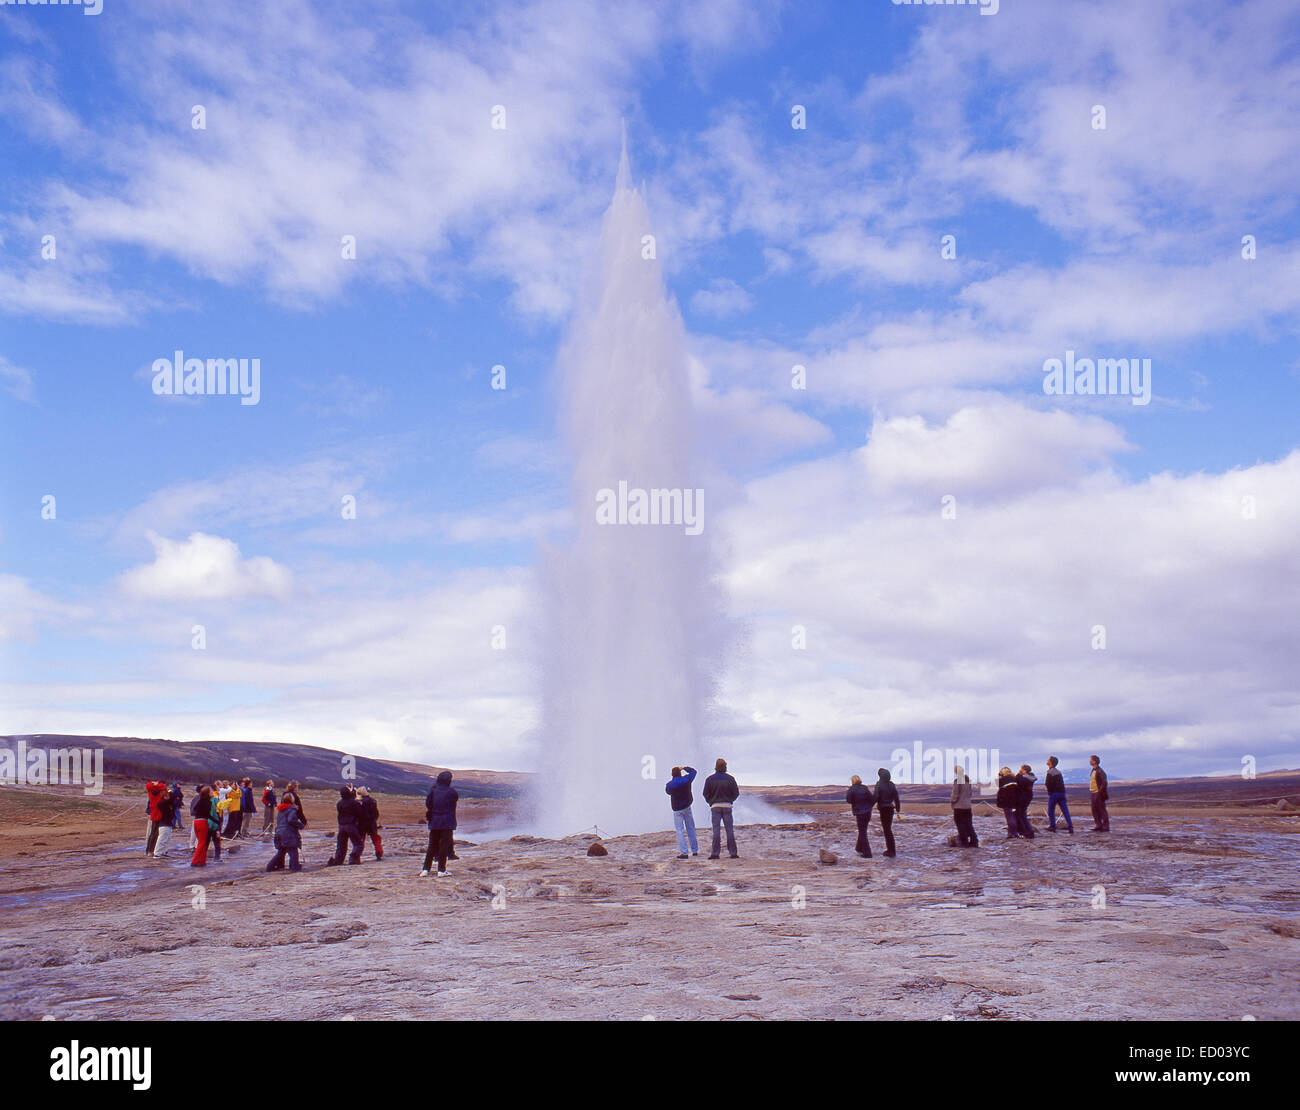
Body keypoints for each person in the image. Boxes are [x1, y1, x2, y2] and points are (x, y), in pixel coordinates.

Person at [422, 771, 459, 877]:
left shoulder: (433, 790)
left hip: (434, 821)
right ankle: (441, 870)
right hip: (447, 822)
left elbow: (428, 803)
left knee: (432, 845)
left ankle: (425, 869)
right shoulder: (451, 792)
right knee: (444, 846)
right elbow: (454, 801)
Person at [702, 758, 740, 860]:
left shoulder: (709, 779)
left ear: (716, 766)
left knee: (716, 831)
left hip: (715, 807)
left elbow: (705, 794)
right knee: (729, 830)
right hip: (727, 806)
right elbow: (736, 793)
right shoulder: (731, 779)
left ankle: (715, 853)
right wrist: (730, 800)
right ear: (725, 766)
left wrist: (711, 802)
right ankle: (733, 853)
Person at [665, 765, 699, 859]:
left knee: (680, 831)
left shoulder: (670, 785)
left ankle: (684, 853)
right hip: (687, 807)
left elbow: (667, 792)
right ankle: (695, 850)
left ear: (672, 774)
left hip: (677, 809)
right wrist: (684, 768)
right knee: (691, 828)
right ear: (680, 773)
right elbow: (694, 772)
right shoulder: (686, 779)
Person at [266, 795, 305, 872]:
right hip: (288, 833)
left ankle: (269, 868)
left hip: (278, 832)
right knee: (293, 851)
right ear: (291, 800)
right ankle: (295, 868)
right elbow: (291, 820)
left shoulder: (281, 809)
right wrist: (300, 825)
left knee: (281, 852)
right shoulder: (291, 809)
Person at [327, 785, 364, 866]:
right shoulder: (354, 803)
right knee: (358, 844)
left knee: (341, 846)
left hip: (341, 826)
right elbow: (360, 813)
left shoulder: (339, 803)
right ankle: (353, 858)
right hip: (351, 825)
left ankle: (338, 861)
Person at [873, 768, 900, 857]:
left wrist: (869, 805)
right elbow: (896, 797)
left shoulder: (879, 785)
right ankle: (891, 850)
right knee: (888, 829)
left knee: (887, 830)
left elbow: (876, 796)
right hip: (890, 809)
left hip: (883, 809)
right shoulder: (891, 785)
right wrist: (898, 808)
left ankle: (891, 851)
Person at [846, 774, 874, 858]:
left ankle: (867, 853)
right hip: (867, 812)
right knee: (863, 830)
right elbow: (872, 799)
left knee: (862, 832)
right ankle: (859, 848)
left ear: (852, 781)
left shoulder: (852, 789)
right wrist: (868, 807)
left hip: (859, 812)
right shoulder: (865, 788)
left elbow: (848, 800)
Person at [950, 765, 978, 847]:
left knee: (960, 825)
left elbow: (955, 794)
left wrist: (952, 801)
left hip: (959, 807)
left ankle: (964, 843)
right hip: (968, 807)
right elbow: (970, 794)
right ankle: (974, 842)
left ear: (956, 772)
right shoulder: (967, 780)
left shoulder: (957, 781)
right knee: (969, 825)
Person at [1045, 756, 1073, 833]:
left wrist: (1050, 792)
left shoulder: (1050, 772)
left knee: (1051, 810)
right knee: (1065, 810)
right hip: (1062, 793)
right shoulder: (1059, 772)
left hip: (1054, 793)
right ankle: (1070, 826)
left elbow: (1048, 784)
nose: (1047, 761)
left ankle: (1052, 826)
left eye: (1048, 760)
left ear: (1050, 762)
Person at [190, 786, 214, 867]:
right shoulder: (208, 802)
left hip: (196, 821)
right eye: (211, 791)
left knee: (202, 842)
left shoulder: (200, 800)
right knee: (202, 842)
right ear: (208, 793)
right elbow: (209, 814)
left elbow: (195, 809)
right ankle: (194, 861)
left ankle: (202, 861)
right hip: (202, 822)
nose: (212, 792)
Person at [357, 787, 383, 859]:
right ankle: (379, 852)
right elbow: (376, 813)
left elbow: (358, 813)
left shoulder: (359, 802)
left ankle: (357, 856)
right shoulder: (373, 801)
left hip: (362, 824)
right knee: (376, 839)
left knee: (360, 841)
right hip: (371, 823)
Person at [145, 780, 170, 855]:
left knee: (154, 833)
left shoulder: (151, 791)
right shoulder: (159, 792)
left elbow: (149, 785)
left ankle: (150, 850)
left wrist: (155, 784)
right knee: (156, 833)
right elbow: (164, 787)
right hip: (158, 813)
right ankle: (152, 850)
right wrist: (158, 784)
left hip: (155, 813)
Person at [996, 767, 1021, 838]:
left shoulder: (1004, 779)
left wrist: (999, 776)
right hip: (1014, 800)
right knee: (1013, 816)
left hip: (1006, 801)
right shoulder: (1014, 778)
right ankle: (1014, 832)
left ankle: (1012, 833)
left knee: (1009, 817)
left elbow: (998, 784)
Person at [1014, 764, 1037, 838]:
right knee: (1022, 815)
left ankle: (1026, 832)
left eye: (1022, 769)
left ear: (1025, 770)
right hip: (1027, 797)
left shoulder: (1025, 778)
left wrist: (1018, 774)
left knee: (1020, 815)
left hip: (1023, 798)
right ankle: (1027, 831)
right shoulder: (1030, 778)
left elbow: (1019, 780)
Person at [1089, 755, 1110, 832]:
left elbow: (1104, 783)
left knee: (1102, 810)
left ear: (1094, 761)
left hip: (1098, 793)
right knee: (1094, 810)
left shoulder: (1100, 771)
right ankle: (1098, 825)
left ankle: (1105, 826)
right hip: (1093, 793)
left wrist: (1100, 792)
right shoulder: (1093, 770)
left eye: (1091, 760)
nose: (1089, 761)